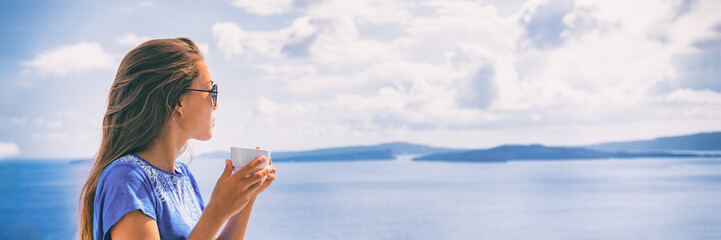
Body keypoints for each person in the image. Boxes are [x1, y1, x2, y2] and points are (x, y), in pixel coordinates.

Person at [78, 38, 276, 240]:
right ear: (178, 101)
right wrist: (216, 212)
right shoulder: (126, 179)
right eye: (211, 91)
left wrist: (246, 195)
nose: (215, 104)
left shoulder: (183, 177)